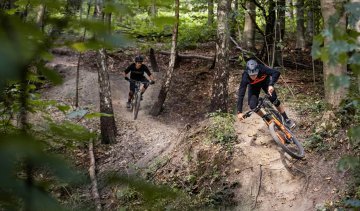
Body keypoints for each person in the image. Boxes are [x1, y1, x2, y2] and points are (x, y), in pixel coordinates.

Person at [236, 59, 296, 129]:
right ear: (248, 73)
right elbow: (241, 94)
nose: (254, 77)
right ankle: (268, 119)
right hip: (254, 87)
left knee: (274, 99)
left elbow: (276, 72)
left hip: (265, 83)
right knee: (253, 106)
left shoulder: (261, 68)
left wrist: (271, 84)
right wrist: (239, 111)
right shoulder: (245, 76)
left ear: (258, 70)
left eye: (255, 74)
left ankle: (286, 119)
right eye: (251, 75)